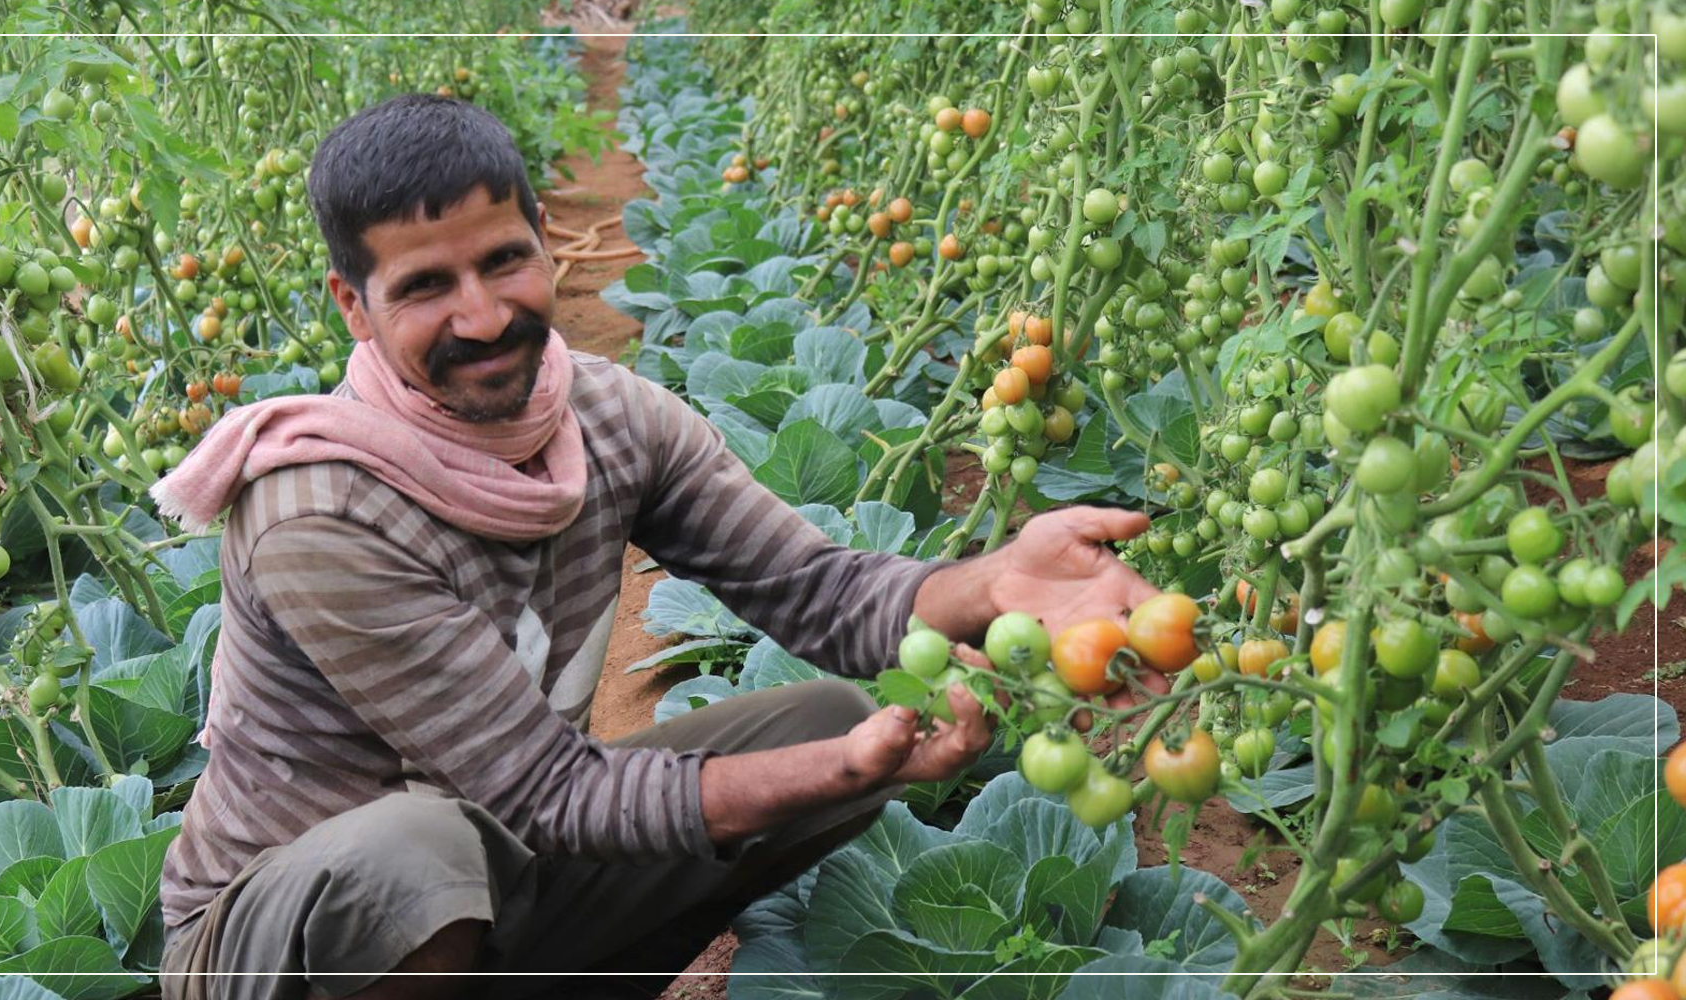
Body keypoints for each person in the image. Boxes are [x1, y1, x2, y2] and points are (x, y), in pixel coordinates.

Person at [154, 94, 1163, 1000]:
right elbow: (554, 794)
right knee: (415, 857)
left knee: (821, 710)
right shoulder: (319, 510)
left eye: (503, 259)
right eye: (425, 285)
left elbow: (819, 592)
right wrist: (841, 770)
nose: (483, 313)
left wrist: (994, 580)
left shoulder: (608, 417)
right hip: (278, 941)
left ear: (544, 240)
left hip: (504, 856)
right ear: (353, 305)